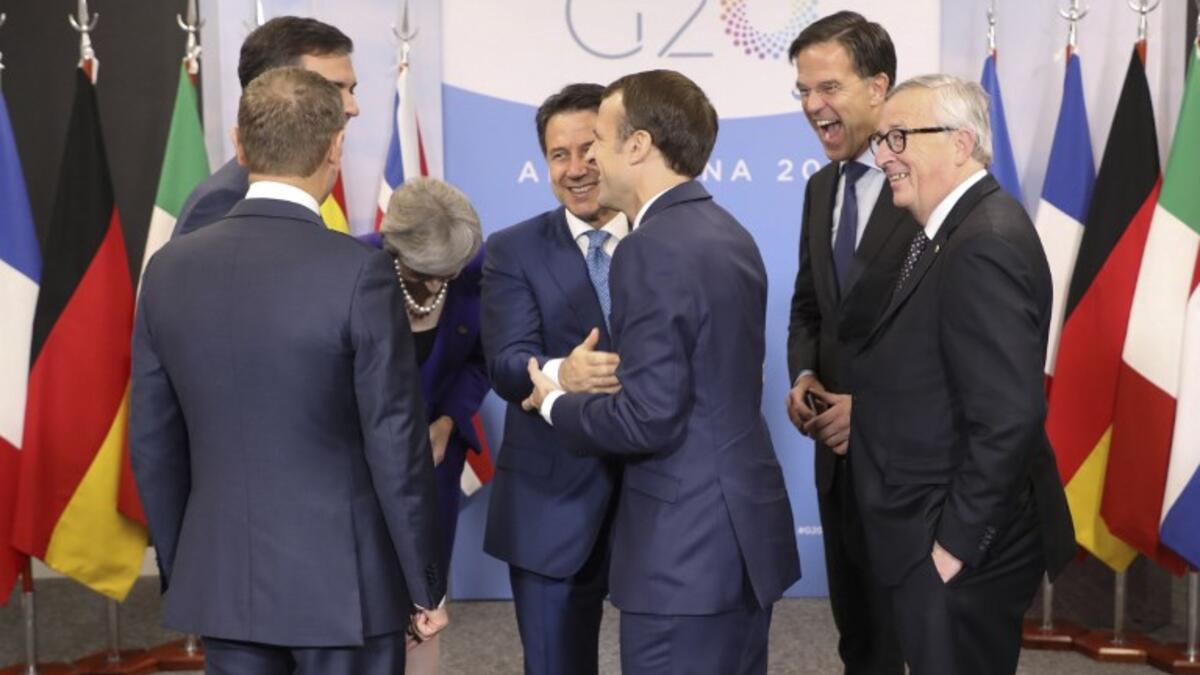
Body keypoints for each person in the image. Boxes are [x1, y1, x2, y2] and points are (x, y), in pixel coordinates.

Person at [130, 67, 446, 675]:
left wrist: (190, 562)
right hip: (347, 589)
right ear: (334, 146)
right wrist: (424, 582)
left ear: (240, 144)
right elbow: (395, 443)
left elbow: (153, 442)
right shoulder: (361, 272)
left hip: (223, 580)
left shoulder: (167, 268)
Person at [523, 70, 800, 675]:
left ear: (639, 145)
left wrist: (553, 400)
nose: (589, 156)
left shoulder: (650, 247)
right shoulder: (728, 231)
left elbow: (647, 418)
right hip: (738, 542)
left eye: (597, 137)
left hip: (684, 555)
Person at [851, 74, 1075, 674]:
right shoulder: (953, 231)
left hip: (960, 545)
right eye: (879, 141)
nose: (883, 156)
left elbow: (1009, 416)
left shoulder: (983, 242)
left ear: (960, 142)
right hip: (934, 528)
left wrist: (953, 548)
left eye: (899, 137)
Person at [784, 12, 915, 674]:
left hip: (910, 464)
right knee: (858, 638)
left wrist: (871, 409)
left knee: (915, 639)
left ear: (877, 86)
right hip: (834, 464)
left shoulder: (928, 184)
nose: (813, 105)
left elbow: (945, 335)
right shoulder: (819, 188)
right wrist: (802, 379)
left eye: (828, 87)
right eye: (803, 90)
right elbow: (809, 306)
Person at [480, 83, 625, 675]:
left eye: (589, 149)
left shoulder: (669, 238)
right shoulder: (512, 249)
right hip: (550, 501)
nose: (576, 169)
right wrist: (565, 371)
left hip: (660, 498)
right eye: (559, 155)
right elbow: (507, 364)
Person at [360, 177, 487, 674]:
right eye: (427, 272)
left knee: (425, 599)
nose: (438, 284)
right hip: (362, 467)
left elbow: (482, 359)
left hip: (435, 462)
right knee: (368, 599)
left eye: (448, 273)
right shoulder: (358, 267)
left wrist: (449, 422)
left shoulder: (473, 270)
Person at [171, 15, 359, 239]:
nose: (352, 107)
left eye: (351, 90)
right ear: (273, 89)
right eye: (332, 88)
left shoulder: (319, 182)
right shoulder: (222, 201)